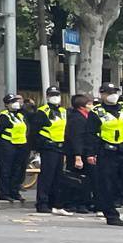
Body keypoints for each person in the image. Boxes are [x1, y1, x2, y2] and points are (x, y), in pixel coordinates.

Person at [86, 84, 123, 226]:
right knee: (107, 186)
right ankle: (111, 216)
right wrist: (91, 153)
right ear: (102, 95)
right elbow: (90, 134)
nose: (113, 95)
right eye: (109, 93)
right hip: (108, 153)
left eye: (115, 92)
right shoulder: (96, 112)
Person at [28, 85, 69, 214]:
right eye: (52, 95)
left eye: (57, 95)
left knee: (58, 177)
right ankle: (42, 203)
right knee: (47, 176)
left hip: (60, 147)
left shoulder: (63, 111)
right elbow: (35, 131)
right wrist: (39, 147)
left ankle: (56, 203)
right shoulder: (42, 111)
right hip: (48, 147)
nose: (55, 98)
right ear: (47, 97)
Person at [0, 92, 31, 204]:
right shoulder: (4, 115)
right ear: (6, 104)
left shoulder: (21, 115)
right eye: (12, 102)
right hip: (8, 145)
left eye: (16, 101)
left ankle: (15, 191)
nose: (15, 104)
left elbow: (27, 128)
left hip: (21, 145)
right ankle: (4, 193)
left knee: (18, 169)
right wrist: (5, 143)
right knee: (6, 170)